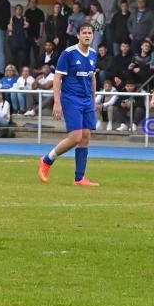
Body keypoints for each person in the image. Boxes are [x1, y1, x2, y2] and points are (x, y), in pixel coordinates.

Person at [38, 23, 100, 186]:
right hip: (71, 98)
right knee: (75, 137)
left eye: (90, 33)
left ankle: (79, 178)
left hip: (87, 99)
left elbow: (92, 78)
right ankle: (46, 159)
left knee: (86, 136)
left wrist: (94, 100)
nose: (87, 35)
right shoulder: (69, 53)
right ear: (78, 35)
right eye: (84, 32)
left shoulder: (93, 54)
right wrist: (57, 102)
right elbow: (57, 78)